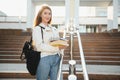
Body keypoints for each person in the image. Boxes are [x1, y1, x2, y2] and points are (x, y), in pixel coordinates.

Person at [32, 4, 66, 80]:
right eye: (45, 13)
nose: (48, 16)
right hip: (44, 58)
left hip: (56, 58)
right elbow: (39, 46)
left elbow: (57, 42)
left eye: (49, 13)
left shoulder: (54, 29)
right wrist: (57, 48)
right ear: (40, 15)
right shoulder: (37, 29)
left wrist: (62, 46)